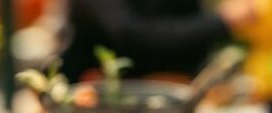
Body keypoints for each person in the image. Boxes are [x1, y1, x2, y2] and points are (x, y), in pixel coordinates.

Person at [61, 0, 257, 82]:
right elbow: (130, 34)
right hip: (96, 100)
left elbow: (189, 20)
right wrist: (221, 22)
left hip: (172, 101)